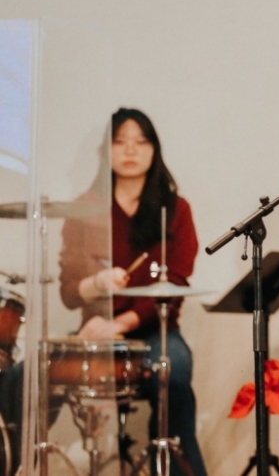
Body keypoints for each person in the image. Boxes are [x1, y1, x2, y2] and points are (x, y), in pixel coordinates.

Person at [57, 107, 207, 476]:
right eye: (120, 141)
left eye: (140, 141)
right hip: (96, 329)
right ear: (105, 151)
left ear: (154, 149)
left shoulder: (176, 209)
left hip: (156, 330)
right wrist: (97, 284)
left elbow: (176, 283)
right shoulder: (84, 209)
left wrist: (121, 323)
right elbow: (69, 293)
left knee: (175, 374)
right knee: (23, 376)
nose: (129, 150)